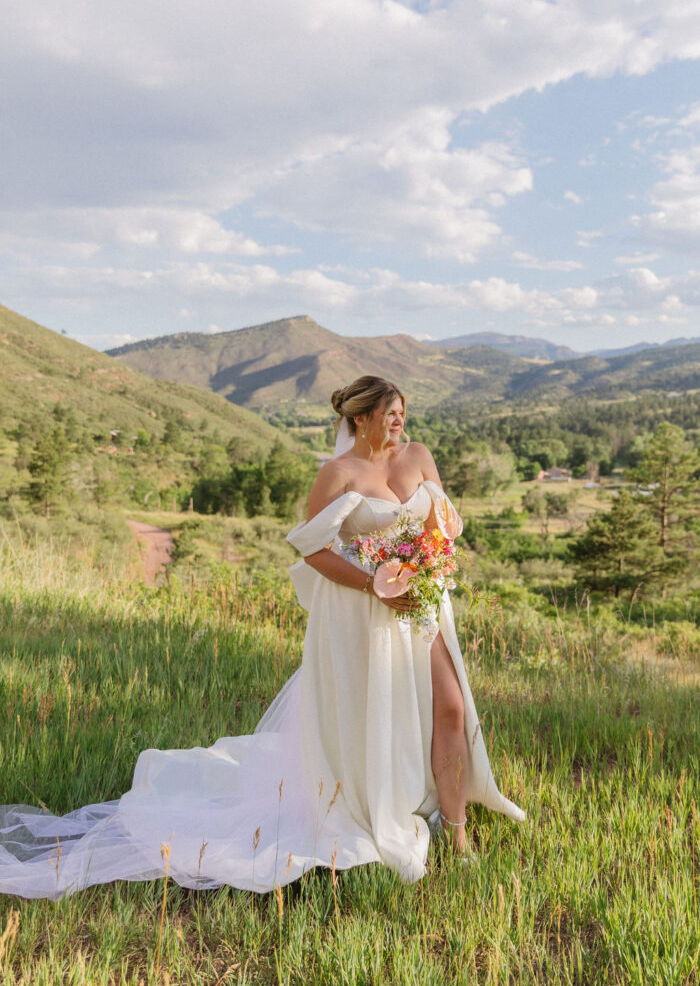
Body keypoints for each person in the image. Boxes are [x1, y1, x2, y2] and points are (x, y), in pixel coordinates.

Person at [0, 375, 523, 900]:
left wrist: (429, 561)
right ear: (359, 418)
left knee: (450, 708)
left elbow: (443, 524)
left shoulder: (419, 455)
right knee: (379, 717)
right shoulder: (337, 473)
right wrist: (375, 584)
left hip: (426, 605)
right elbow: (314, 550)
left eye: (402, 411)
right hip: (365, 613)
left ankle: (457, 836)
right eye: (389, 412)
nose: (398, 420)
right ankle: (375, 799)